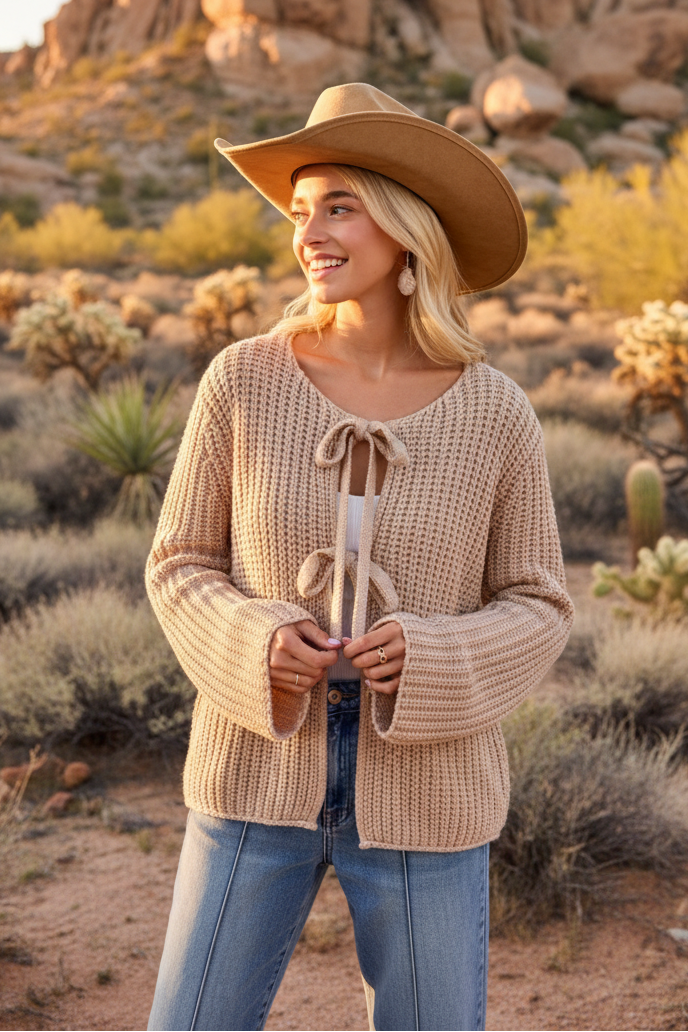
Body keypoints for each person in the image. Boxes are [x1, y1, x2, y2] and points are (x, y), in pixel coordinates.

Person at [145, 82, 574, 1032]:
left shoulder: (494, 411)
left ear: (404, 227)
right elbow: (177, 562)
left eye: (339, 205)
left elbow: (539, 600)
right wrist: (255, 640)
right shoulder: (244, 382)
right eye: (302, 212)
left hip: (433, 796)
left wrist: (436, 656)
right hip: (252, 775)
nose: (310, 233)